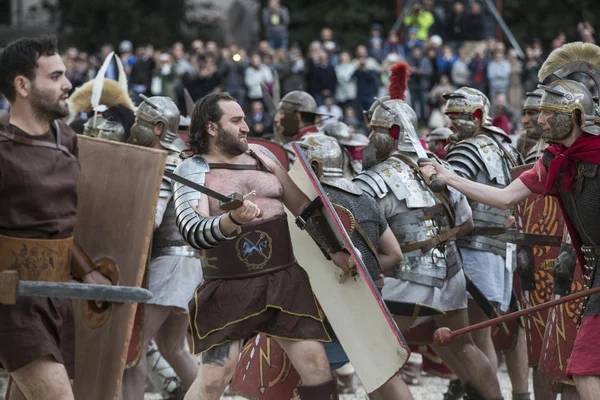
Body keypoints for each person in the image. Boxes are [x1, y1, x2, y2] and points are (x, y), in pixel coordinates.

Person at [419, 42, 600, 400]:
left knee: (584, 367)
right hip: (595, 270)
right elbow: (503, 197)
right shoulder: (553, 162)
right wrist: (449, 176)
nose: (540, 119)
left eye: (549, 113)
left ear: (575, 115)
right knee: (584, 366)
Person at [171, 92, 351, 400]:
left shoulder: (261, 158)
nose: (246, 127)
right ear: (212, 128)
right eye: (236, 120)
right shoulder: (193, 170)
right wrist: (231, 221)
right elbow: (192, 229)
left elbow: (304, 208)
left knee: (317, 369)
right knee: (215, 378)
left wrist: (335, 249)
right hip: (229, 286)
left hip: (285, 280)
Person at [354, 62, 503, 400]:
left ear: (391, 133)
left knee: (375, 353)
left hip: (403, 278)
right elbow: (465, 223)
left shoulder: (373, 179)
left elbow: (361, 235)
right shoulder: (442, 169)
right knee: (462, 345)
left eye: (373, 129)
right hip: (450, 275)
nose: (368, 137)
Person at [0, 35, 111, 399]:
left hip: (57, 295)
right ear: (22, 85)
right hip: (9, 301)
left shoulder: (66, 138)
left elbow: (58, 223)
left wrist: (87, 270)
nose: (68, 85)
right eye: (56, 76)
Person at [300, 134, 414, 399]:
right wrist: (362, 276)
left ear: (313, 167)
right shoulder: (364, 197)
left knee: (314, 375)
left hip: (327, 306)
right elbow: (393, 253)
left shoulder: (313, 203)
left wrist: (342, 276)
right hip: (370, 297)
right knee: (380, 374)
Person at [121, 95, 202, 400]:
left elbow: (150, 220)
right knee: (173, 347)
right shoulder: (180, 159)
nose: (134, 126)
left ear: (156, 128)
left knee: (132, 350)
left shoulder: (166, 161)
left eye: (139, 121)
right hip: (185, 262)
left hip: (170, 262)